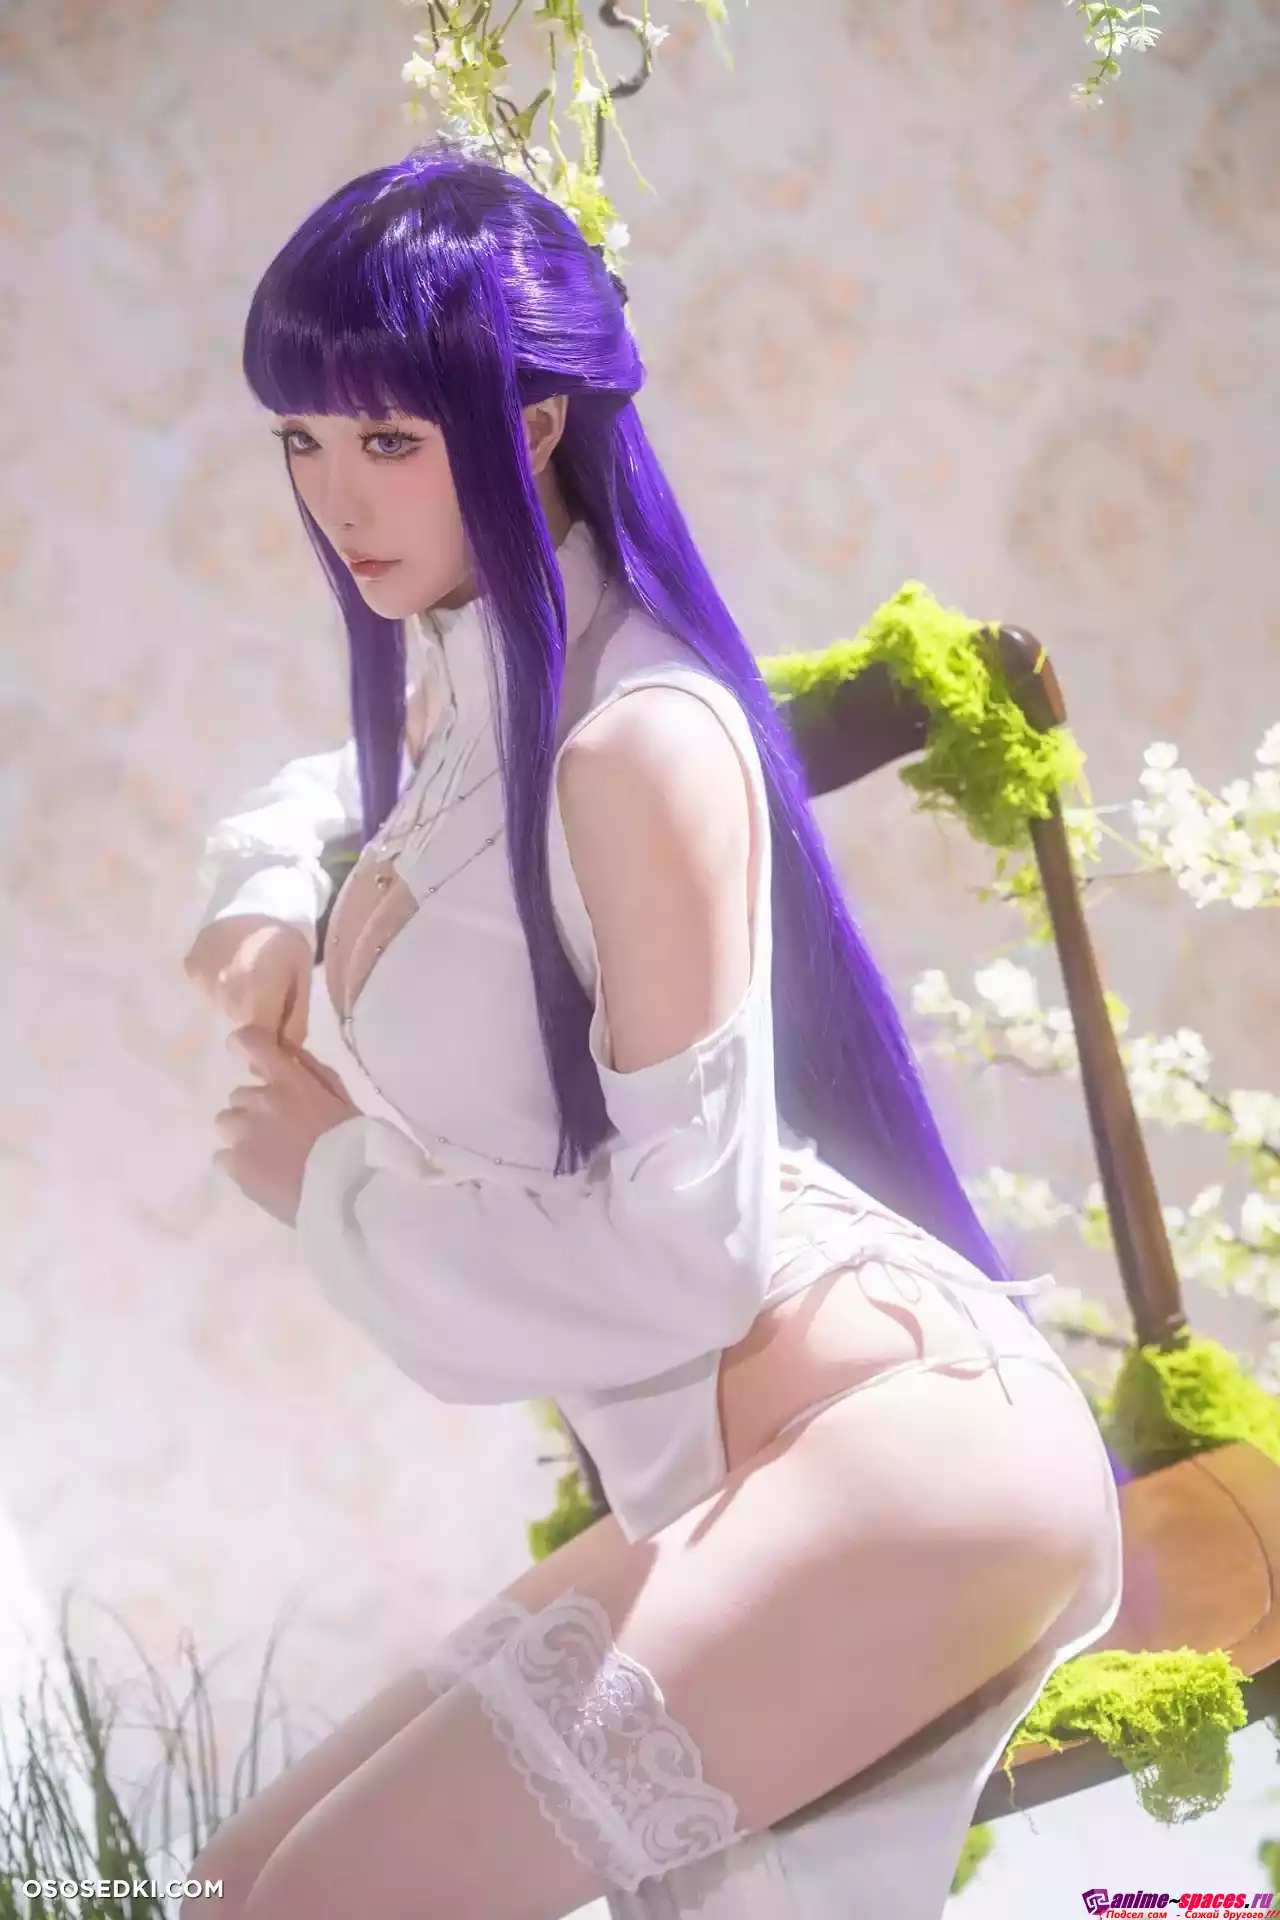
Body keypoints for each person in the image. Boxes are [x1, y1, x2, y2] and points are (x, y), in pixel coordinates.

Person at [180, 146, 1122, 1920]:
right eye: (301, 440)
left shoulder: (639, 741)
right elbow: (344, 794)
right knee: (238, 1888)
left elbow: (694, 1263)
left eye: (387, 439)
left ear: (534, 422)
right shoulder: (485, 676)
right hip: (739, 1452)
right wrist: (261, 892)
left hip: (899, 1439)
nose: (336, 498)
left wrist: (334, 1189)